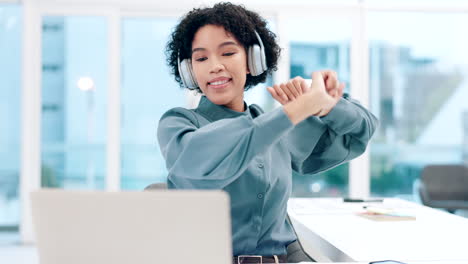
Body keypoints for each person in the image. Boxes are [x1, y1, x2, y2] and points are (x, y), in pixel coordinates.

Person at [158, 2, 378, 263]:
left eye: (227, 53)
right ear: (189, 70)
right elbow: (202, 162)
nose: (214, 66)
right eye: (201, 58)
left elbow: (361, 132)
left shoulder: (278, 127)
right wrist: (296, 110)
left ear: (252, 61)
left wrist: (327, 106)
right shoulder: (178, 123)